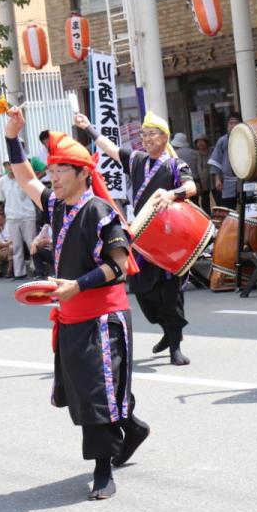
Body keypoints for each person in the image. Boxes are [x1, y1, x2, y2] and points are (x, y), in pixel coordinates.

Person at [2, 107, 150, 500]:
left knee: (98, 393)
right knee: (84, 391)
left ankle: (103, 471)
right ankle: (132, 428)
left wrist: (78, 286)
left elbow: (119, 266)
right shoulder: (56, 206)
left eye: (60, 171)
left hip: (103, 317)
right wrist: (12, 137)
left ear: (83, 173)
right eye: (51, 171)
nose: (52, 177)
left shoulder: (99, 211)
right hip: (70, 315)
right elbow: (25, 177)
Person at [77, 110, 198, 366]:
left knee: (171, 293)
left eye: (151, 134)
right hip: (142, 238)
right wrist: (88, 127)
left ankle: (175, 345)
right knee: (144, 292)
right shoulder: (137, 161)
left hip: (169, 238)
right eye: (143, 135)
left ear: (164, 137)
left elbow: (191, 187)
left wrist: (172, 194)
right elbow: (110, 149)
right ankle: (167, 330)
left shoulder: (175, 165)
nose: (146, 139)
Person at [0, 156, 41, 280]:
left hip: (28, 215)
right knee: (16, 246)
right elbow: (1, 199)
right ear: (5, 166)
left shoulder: (25, 178)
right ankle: (19, 273)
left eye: (12, 163)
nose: (10, 167)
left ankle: (37, 270)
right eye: (7, 164)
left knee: (31, 243)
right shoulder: (2, 181)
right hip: (12, 217)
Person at [208, 112, 242, 209]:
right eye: (230, 123)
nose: (233, 125)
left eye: (236, 123)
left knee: (247, 208)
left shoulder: (248, 139)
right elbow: (216, 160)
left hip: (245, 181)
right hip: (228, 182)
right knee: (228, 210)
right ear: (227, 126)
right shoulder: (222, 141)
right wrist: (217, 179)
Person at [172, 132, 205, 210]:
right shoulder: (195, 153)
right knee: (196, 204)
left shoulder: (173, 154)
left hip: (180, 185)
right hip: (195, 182)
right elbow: (199, 169)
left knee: (184, 207)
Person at [194, 136, 214, 211]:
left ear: (206, 142)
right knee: (204, 202)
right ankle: (207, 215)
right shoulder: (195, 154)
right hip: (202, 182)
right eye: (198, 142)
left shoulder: (212, 151)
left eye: (202, 141)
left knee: (218, 199)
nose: (200, 144)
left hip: (213, 179)